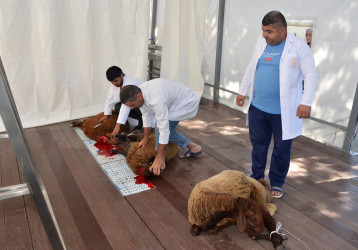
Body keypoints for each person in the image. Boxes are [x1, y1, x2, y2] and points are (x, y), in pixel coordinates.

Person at [236, 11, 317, 198]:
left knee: (281, 149)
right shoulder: (261, 44)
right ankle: (256, 177)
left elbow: (310, 74)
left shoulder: (298, 46)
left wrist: (306, 102)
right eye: (263, 30)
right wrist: (242, 90)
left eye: (269, 31)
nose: (265, 35)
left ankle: (277, 182)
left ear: (282, 30)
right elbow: (251, 67)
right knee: (258, 146)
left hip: (283, 112)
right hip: (258, 108)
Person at [120, 78, 202, 176]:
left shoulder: (156, 99)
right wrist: (145, 138)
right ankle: (194, 147)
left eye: (132, 105)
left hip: (186, 103)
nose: (132, 108)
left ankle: (160, 158)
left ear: (139, 96)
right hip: (172, 102)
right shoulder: (139, 93)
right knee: (163, 129)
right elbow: (146, 116)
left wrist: (159, 156)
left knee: (163, 129)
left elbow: (164, 130)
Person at [98, 66, 143, 137]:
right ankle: (141, 120)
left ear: (122, 75)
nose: (114, 84)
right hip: (130, 102)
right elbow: (110, 98)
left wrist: (117, 125)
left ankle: (144, 122)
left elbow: (127, 105)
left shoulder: (131, 83)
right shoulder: (115, 83)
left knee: (135, 107)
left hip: (141, 104)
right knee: (118, 107)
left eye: (116, 81)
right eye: (111, 82)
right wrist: (106, 115)